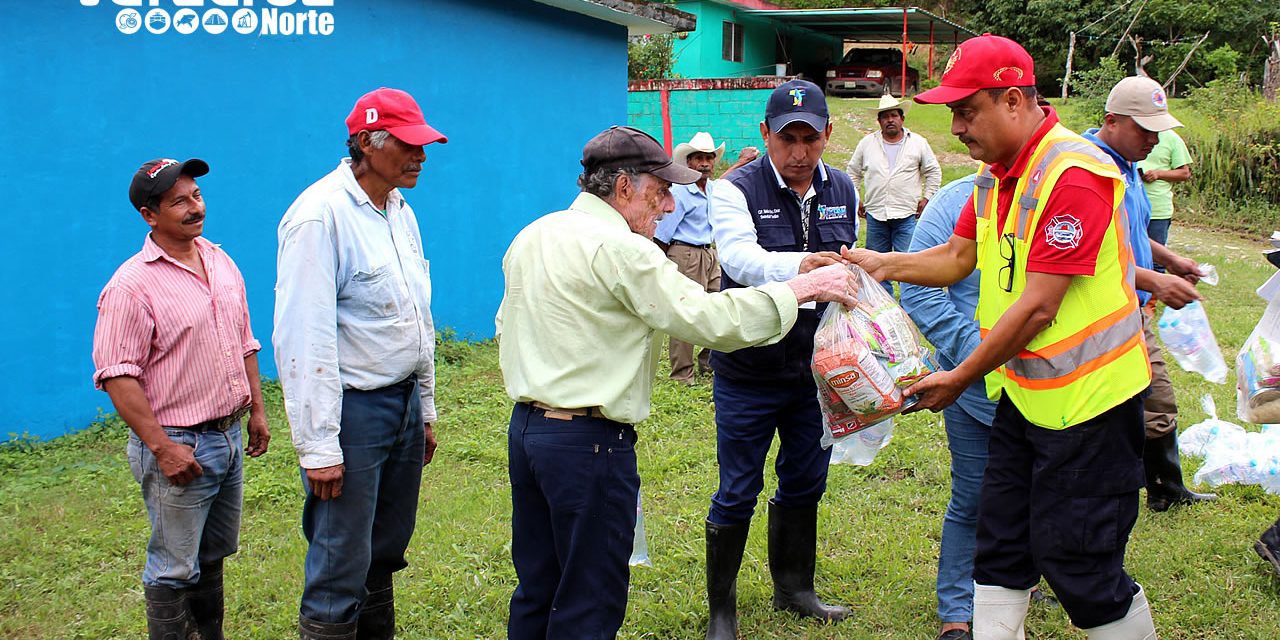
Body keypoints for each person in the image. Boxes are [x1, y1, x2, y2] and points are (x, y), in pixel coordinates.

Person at [845, 35, 1160, 638]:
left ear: (1013, 101)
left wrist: (961, 376)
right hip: (1023, 397)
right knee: (1001, 544)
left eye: (967, 111)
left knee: (1080, 563)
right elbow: (958, 256)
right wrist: (878, 265)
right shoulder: (995, 177)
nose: (957, 127)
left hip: (1091, 407)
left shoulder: (1076, 173)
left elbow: (1041, 305)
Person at [496, 125, 859, 640]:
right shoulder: (622, 249)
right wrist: (800, 287)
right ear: (624, 187)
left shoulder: (535, 234)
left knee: (538, 585)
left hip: (529, 433)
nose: (668, 206)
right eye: (660, 190)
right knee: (589, 597)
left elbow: (506, 325)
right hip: (589, 444)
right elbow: (709, 320)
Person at [274, 87, 445, 640]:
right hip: (354, 412)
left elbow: (418, 316)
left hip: (400, 407)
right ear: (369, 144)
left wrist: (425, 407)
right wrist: (319, 446)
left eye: (424, 145)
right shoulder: (318, 217)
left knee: (384, 549)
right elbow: (304, 337)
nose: (421, 155)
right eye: (410, 145)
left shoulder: (399, 209)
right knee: (339, 559)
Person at [704, 78, 859, 639]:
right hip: (750, 368)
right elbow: (740, 259)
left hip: (817, 371)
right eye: (786, 138)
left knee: (805, 480)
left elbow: (851, 267)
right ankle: (723, 611)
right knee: (737, 487)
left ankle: (795, 588)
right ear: (765, 133)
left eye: (809, 140)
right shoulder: (733, 189)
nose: (798, 153)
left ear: (827, 135)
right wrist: (801, 269)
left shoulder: (843, 187)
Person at [93, 157, 270, 640]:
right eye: (179, 202)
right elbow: (117, 376)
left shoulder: (218, 260)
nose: (195, 208)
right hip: (179, 444)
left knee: (212, 557)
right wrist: (163, 448)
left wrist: (255, 409)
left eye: (196, 196)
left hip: (227, 436)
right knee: (173, 569)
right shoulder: (131, 286)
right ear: (150, 215)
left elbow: (244, 340)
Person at [1083, 75, 1217, 513]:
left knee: (1156, 401)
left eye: (1158, 129)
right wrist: (1156, 280)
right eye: (1145, 129)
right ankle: (1114, 493)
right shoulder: (1088, 171)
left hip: (1134, 308)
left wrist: (1169, 259)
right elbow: (1095, 255)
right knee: (1125, 409)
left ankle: (1163, 486)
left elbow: (1131, 233)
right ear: (1111, 121)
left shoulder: (1127, 166)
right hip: (1103, 317)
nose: (1154, 139)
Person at [899, 173, 991, 640]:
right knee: (972, 495)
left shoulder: (1055, 191)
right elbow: (918, 289)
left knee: (1033, 490)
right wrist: (978, 354)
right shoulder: (955, 202)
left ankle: (1018, 578)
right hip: (970, 385)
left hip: (1047, 385)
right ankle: (956, 608)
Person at [654, 132, 758, 384]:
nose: (704, 163)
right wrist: (659, 265)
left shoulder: (714, 189)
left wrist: (741, 163)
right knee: (685, 311)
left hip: (710, 253)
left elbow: (726, 182)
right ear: (688, 163)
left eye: (708, 158)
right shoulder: (680, 193)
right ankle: (682, 374)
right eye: (698, 158)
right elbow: (662, 234)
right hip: (684, 253)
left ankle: (708, 363)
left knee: (718, 307)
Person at [847, 93, 942, 296]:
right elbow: (852, 172)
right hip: (876, 215)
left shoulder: (917, 143)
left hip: (906, 214)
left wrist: (927, 197)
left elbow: (933, 171)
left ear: (902, 119)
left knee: (910, 267)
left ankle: (912, 306)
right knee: (875, 270)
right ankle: (883, 310)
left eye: (894, 115)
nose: (890, 120)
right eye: (885, 116)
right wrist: (856, 198)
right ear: (879, 121)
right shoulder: (867, 143)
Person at [1138, 128, 1193, 252]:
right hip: (1130, 206)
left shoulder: (1172, 138)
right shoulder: (1132, 133)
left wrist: (1158, 174)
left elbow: (1184, 173)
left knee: (1156, 259)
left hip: (1157, 209)